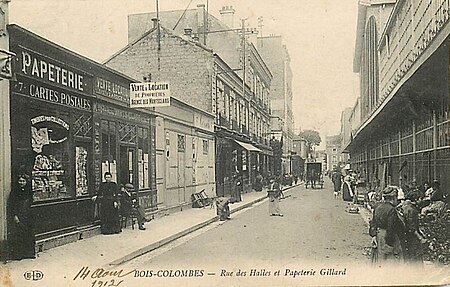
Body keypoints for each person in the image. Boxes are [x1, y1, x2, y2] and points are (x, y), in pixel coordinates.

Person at [369, 186, 405, 264]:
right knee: (391, 260)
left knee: (380, 259)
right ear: (393, 198)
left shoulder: (378, 207)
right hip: (388, 237)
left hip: (379, 235)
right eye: (396, 198)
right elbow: (391, 227)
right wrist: (390, 244)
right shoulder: (391, 210)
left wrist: (374, 235)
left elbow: (373, 222)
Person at [8, 174, 36, 260]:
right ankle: (18, 254)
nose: (21, 183)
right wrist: (14, 215)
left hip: (27, 215)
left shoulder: (29, 191)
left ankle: (28, 253)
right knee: (18, 234)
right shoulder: (14, 192)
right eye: (20, 181)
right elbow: (11, 204)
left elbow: (31, 203)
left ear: (26, 182)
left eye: (23, 181)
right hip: (19, 214)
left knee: (28, 233)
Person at [398, 188, 426, 264]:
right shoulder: (411, 210)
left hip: (407, 237)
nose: (421, 201)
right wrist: (420, 238)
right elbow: (411, 228)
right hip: (411, 238)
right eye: (420, 199)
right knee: (415, 259)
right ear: (416, 199)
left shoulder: (406, 207)